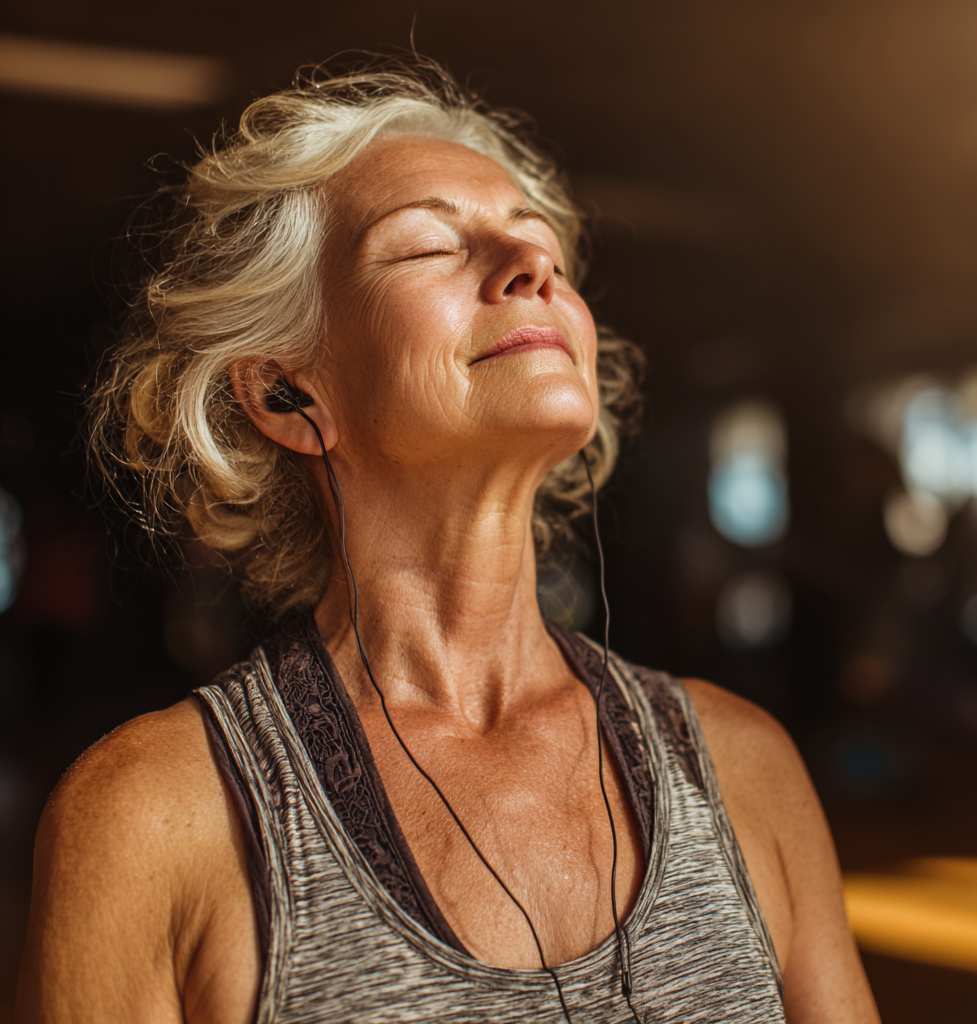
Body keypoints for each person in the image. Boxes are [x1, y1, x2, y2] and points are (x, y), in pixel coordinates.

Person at [17, 60, 879, 1024]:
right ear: (283, 393)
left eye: (538, 242)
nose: (530, 267)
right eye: (427, 247)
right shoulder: (152, 818)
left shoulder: (743, 766)